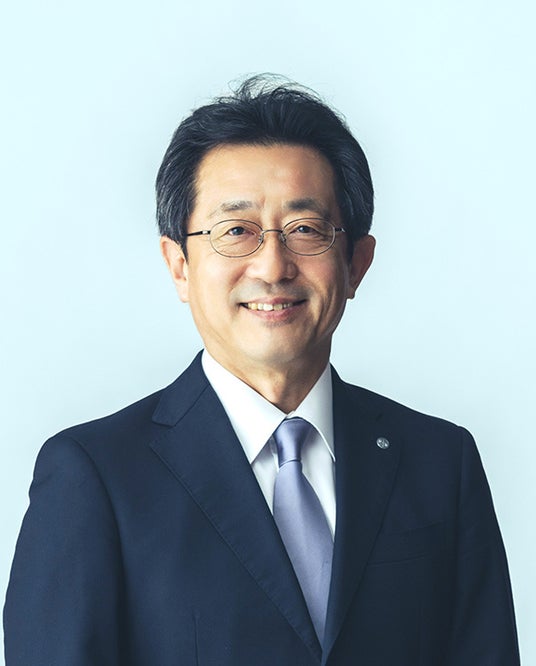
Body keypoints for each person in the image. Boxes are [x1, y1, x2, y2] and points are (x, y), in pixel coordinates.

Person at [4, 75, 520, 665]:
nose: (273, 267)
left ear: (357, 262)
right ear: (179, 265)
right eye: (236, 231)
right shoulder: (95, 477)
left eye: (305, 230)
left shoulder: (440, 462)